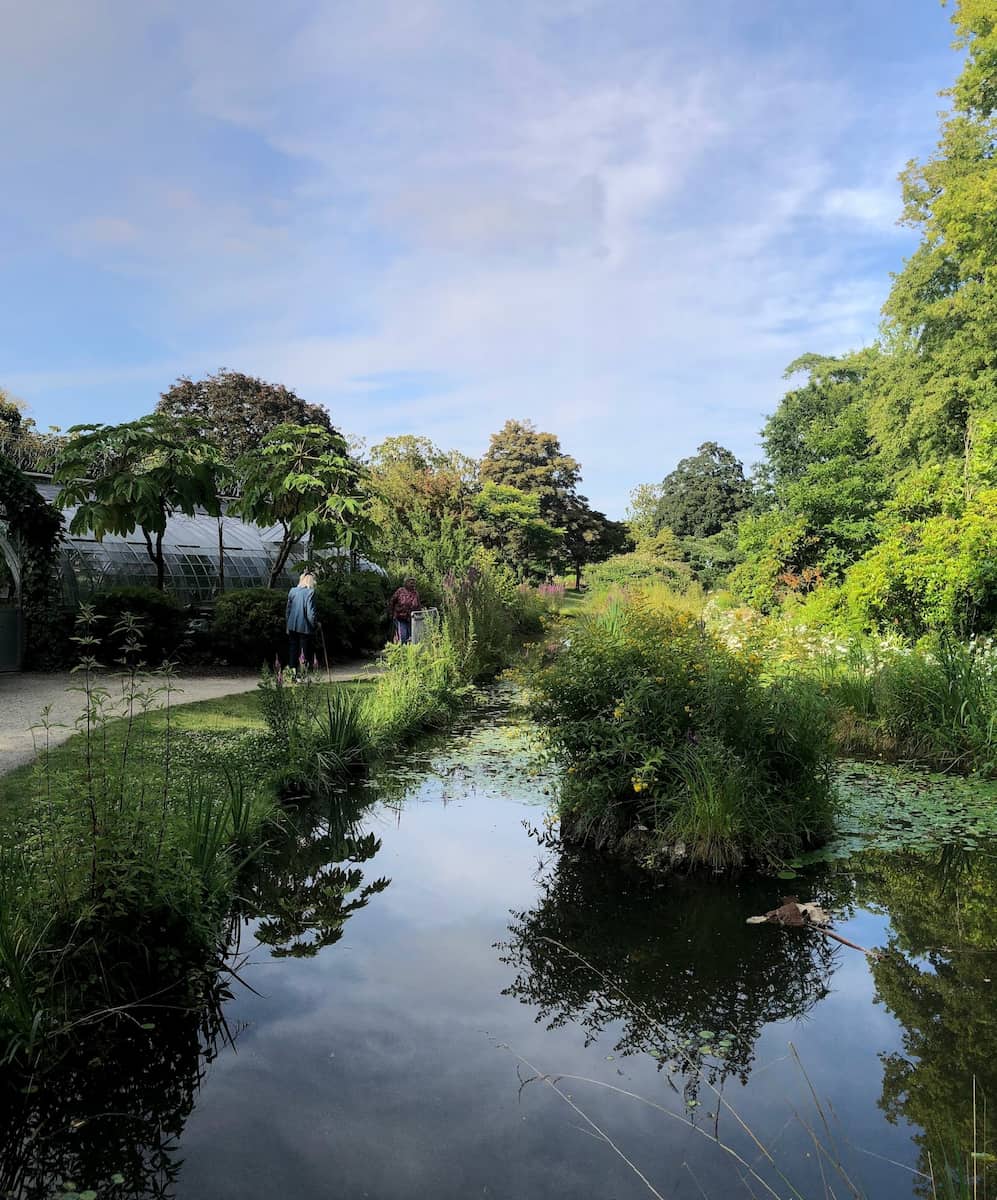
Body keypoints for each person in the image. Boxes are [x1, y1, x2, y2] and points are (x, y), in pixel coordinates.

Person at [286, 571, 317, 675]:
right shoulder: (310, 592)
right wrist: (315, 625)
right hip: (304, 627)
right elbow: (310, 613)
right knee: (303, 652)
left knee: (293, 650)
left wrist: (287, 625)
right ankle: (302, 674)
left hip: (292, 626)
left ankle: (292, 673)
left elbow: (288, 610)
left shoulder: (292, 591)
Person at [389, 577, 420, 644]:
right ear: (406, 583)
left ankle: (409, 652)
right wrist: (391, 613)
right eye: (411, 583)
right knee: (403, 637)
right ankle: (402, 651)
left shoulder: (415, 593)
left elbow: (418, 606)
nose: (413, 585)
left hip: (411, 619)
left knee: (411, 637)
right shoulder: (400, 591)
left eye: (414, 583)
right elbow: (392, 601)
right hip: (400, 618)